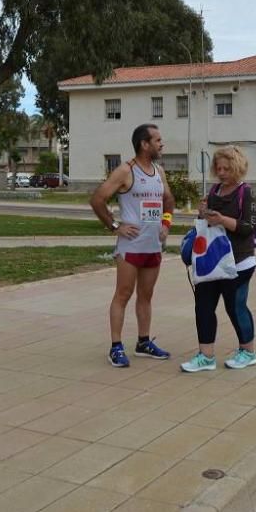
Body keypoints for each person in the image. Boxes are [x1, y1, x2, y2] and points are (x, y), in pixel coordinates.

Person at [90, 124, 174, 368]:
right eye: (157, 140)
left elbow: (168, 200)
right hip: (130, 247)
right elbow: (97, 199)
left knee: (146, 296)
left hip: (152, 246)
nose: (161, 144)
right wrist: (115, 226)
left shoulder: (159, 171)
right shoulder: (126, 171)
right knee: (123, 294)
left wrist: (166, 224)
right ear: (144, 144)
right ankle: (116, 347)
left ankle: (144, 342)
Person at [181, 146, 256, 372]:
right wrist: (203, 212)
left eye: (227, 168)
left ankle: (248, 351)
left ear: (237, 168)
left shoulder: (247, 193)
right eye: (219, 168)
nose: (222, 172)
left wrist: (223, 219)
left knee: (235, 307)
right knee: (203, 306)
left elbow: (250, 228)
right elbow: (207, 224)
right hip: (211, 260)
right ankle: (206, 356)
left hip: (239, 262)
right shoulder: (215, 191)